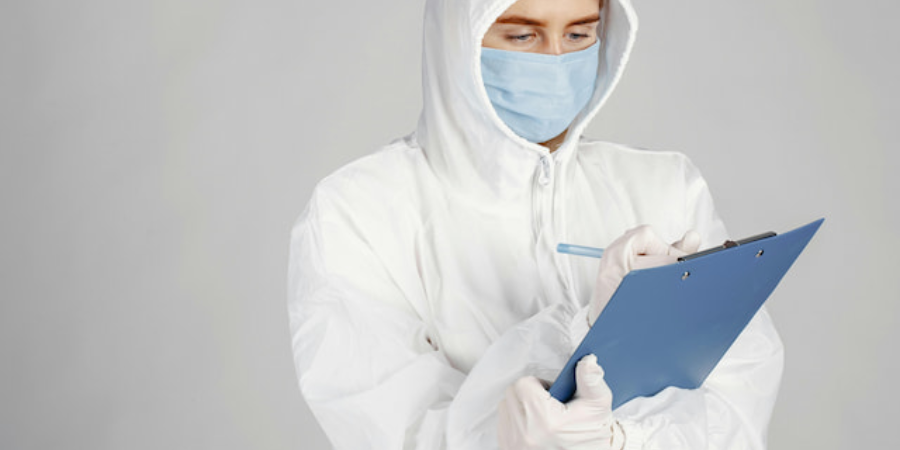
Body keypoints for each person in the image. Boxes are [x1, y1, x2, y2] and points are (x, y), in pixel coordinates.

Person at [288, 0, 784, 448]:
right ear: (459, 35)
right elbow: (398, 432)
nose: (556, 60)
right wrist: (582, 338)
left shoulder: (664, 187)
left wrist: (620, 440)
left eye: (579, 34)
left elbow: (738, 405)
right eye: (523, 35)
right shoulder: (359, 213)